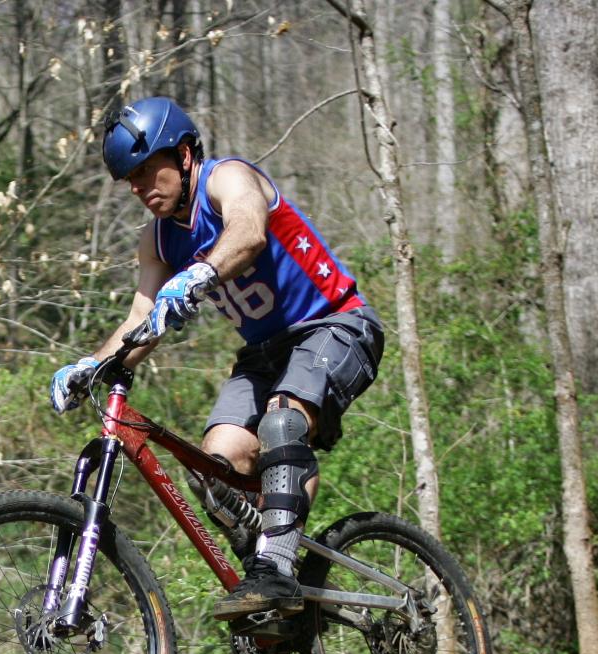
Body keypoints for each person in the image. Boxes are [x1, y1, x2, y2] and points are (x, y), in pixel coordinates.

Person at [49, 96, 385, 627]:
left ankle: (276, 565)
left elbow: (248, 232)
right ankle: (274, 577)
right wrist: (89, 365)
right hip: (265, 354)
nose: (138, 188)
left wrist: (200, 272)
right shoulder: (158, 239)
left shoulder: (227, 180)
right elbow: (140, 320)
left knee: (282, 422)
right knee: (214, 466)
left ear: (183, 154)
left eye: (145, 171)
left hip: (337, 325)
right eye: (129, 180)